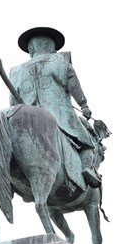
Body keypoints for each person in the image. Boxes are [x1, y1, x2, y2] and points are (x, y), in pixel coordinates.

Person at [9, 27, 103, 188]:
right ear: (52, 46)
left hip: (26, 117)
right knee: (87, 140)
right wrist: (84, 105)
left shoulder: (15, 71)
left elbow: (12, 104)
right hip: (59, 114)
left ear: (31, 48)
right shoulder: (61, 60)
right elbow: (74, 86)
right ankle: (87, 168)